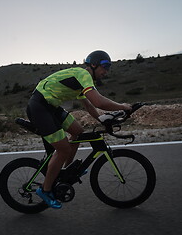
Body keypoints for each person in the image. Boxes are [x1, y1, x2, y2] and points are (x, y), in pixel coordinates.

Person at [26, 50, 132, 209]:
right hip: (40, 107)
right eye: (105, 66)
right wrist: (123, 107)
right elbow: (98, 102)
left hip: (51, 108)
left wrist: (101, 119)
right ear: (94, 64)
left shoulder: (83, 80)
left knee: (78, 132)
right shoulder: (83, 74)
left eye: (109, 68)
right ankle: (45, 190)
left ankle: (66, 172)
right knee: (63, 149)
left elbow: (89, 105)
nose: (106, 71)